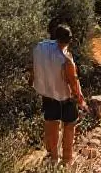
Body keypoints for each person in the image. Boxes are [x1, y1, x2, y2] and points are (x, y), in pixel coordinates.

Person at [30, 24, 86, 164]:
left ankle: (53, 158)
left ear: (55, 36)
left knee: (51, 124)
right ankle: (67, 159)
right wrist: (80, 100)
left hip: (47, 95)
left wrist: (32, 81)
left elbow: (34, 67)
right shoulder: (66, 59)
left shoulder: (40, 47)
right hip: (65, 98)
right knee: (69, 125)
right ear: (70, 40)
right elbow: (73, 82)